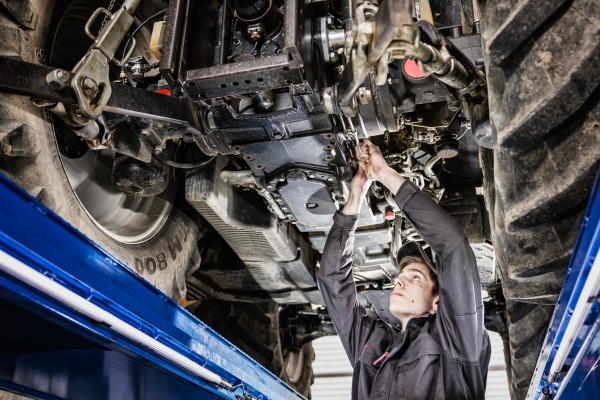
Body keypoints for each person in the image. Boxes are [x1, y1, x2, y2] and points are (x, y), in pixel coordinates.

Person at [317, 140, 491, 399]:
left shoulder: (456, 340)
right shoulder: (376, 343)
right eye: (402, 275)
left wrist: (384, 175)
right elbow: (453, 249)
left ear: (437, 301)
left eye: (414, 277)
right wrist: (356, 194)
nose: (399, 281)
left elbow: (331, 282)